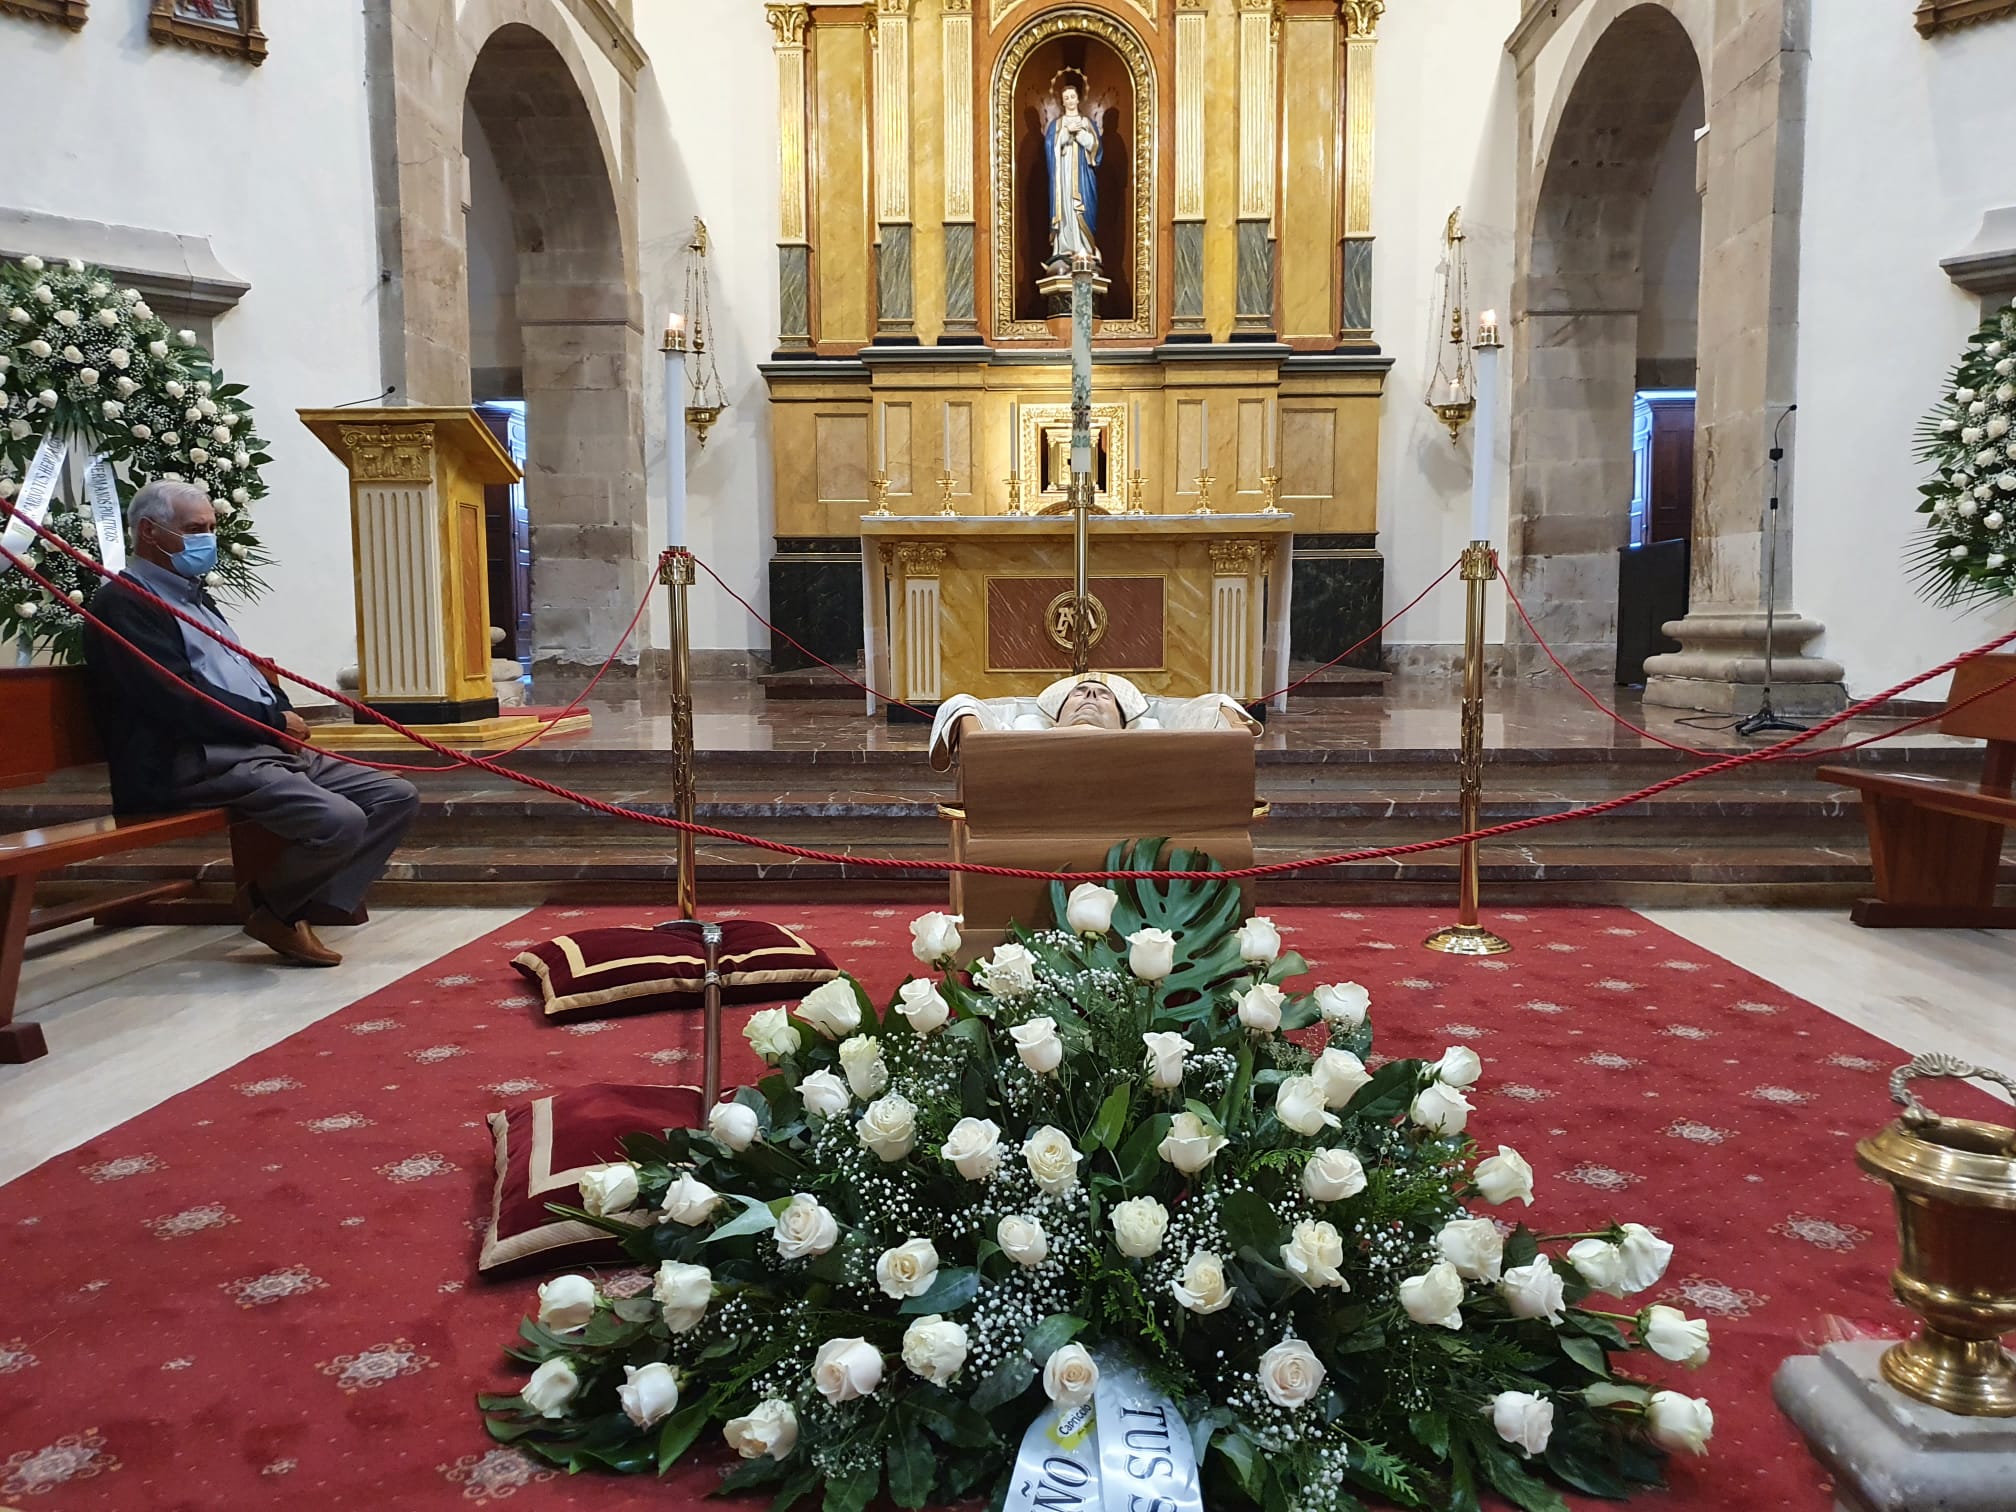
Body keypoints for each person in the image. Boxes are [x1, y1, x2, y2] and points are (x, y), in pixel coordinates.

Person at [82, 481, 420, 967]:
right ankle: (275, 911)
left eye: (212, 529)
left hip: (251, 747)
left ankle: (298, 905)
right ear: (148, 533)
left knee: (394, 796)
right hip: (193, 761)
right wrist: (270, 722)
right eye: (195, 529)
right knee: (339, 821)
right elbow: (178, 699)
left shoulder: (194, 598)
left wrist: (276, 712)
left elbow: (241, 672)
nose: (207, 540)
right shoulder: (124, 604)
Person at [928, 671, 1258, 769]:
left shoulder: (1156, 745)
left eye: (1102, 696)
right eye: (1079, 692)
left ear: (1123, 722)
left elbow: (1215, 706)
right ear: (1055, 720)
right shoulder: (1015, 739)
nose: (1089, 697)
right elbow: (965, 706)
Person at [1045, 71, 1102, 274]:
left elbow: (1096, 151)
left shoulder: (1087, 123)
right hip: (1063, 178)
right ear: (1062, 101)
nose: (1069, 100)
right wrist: (1065, 135)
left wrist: (1079, 133)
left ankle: (1084, 249)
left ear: (1078, 98)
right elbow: (1051, 148)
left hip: (1083, 177)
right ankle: (1064, 248)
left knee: (1082, 210)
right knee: (1066, 210)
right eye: (1065, 98)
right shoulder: (1057, 125)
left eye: (1072, 96)